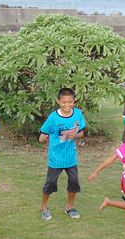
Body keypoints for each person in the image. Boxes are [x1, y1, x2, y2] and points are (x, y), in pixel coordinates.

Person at [39, 88, 86, 220]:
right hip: (56, 158)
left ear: (74, 101)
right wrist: (42, 136)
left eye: (70, 102)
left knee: (74, 181)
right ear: (58, 101)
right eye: (63, 102)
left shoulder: (77, 114)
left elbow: (81, 133)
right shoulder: (53, 117)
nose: (67, 105)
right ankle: (44, 208)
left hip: (71, 157)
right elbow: (44, 132)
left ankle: (70, 207)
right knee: (50, 182)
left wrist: (76, 135)